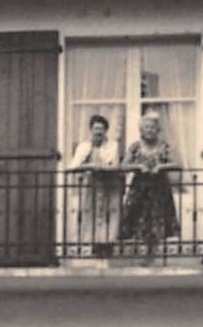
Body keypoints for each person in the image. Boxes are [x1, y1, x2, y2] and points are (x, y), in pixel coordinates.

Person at [120, 108, 181, 250]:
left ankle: (156, 254)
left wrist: (161, 167)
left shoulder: (164, 147)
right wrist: (138, 166)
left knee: (159, 221)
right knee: (137, 222)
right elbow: (123, 166)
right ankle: (138, 254)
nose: (149, 130)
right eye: (146, 127)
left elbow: (178, 164)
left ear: (158, 130)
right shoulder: (135, 147)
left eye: (153, 127)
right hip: (139, 188)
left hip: (159, 188)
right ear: (141, 130)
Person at [68, 113, 122, 254]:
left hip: (109, 183)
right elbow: (73, 167)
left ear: (106, 131)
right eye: (95, 128)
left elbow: (115, 165)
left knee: (109, 212)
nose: (98, 131)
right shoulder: (84, 146)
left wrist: (103, 166)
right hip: (91, 183)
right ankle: (92, 244)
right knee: (90, 212)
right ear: (91, 130)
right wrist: (89, 165)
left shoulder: (112, 146)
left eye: (101, 129)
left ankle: (107, 243)